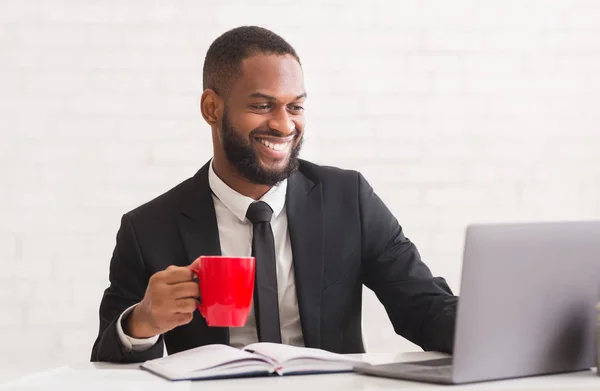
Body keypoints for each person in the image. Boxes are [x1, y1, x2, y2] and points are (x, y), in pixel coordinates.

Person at [91, 26, 458, 363]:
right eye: (262, 105)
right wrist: (140, 322)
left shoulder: (349, 200)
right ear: (212, 108)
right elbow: (106, 362)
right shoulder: (149, 229)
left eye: (295, 106)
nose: (284, 125)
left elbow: (424, 306)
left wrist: (499, 329)